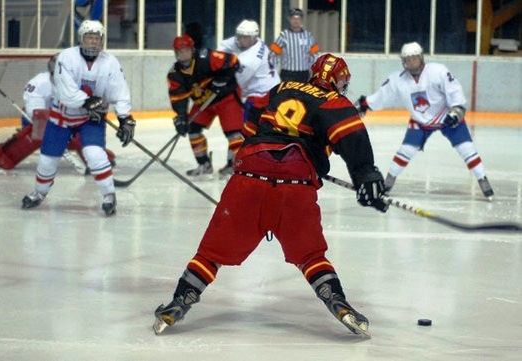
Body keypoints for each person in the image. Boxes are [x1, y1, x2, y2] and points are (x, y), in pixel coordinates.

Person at [152, 54, 388, 338]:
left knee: (210, 254)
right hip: (295, 183)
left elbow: (252, 122)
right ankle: (338, 302)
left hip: (249, 175)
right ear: (339, 82)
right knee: (311, 256)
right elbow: (353, 140)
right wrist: (366, 179)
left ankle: (179, 302)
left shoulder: (281, 88)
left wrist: (265, 154)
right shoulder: (335, 102)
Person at [21, 20, 136, 216]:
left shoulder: (110, 63)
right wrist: (87, 102)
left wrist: (125, 118)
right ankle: (39, 193)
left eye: (96, 38)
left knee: (95, 154)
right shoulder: (67, 57)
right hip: (61, 118)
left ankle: (109, 196)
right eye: (89, 37)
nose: (92, 42)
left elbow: (120, 93)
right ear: (81, 39)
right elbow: (67, 93)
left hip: (90, 119)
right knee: (47, 161)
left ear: (102, 41)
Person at [355, 41, 494, 201]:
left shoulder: (438, 71)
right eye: (408, 59)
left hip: (446, 116)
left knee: (467, 149)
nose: (412, 62)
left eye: (414, 58)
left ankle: (483, 179)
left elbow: (454, 90)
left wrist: (457, 111)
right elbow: (382, 96)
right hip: (420, 122)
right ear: (403, 61)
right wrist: (365, 104)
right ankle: (388, 182)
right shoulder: (397, 79)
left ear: (421, 57)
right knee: (405, 151)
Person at [168, 34, 244, 178]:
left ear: (192, 49)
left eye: (186, 50)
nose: (183, 54)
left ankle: (234, 166)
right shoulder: (175, 74)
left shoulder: (206, 57)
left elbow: (233, 61)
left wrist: (223, 78)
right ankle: (204, 164)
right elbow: (178, 98)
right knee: (193, 129)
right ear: (176, 53)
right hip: (204, 102)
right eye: (180, 52)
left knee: (234, 134)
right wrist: (182, 117)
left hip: (226, 98)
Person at [218, 19, 280, 128]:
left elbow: (237, 84)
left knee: (246, 128)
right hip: (271, 91)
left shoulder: (249, 60)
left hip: (262, 96)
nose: (241, 39)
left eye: (245, 37)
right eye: (240, 36)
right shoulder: (257, 41)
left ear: (253, 37)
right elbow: (225, 46)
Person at [270, 8, 320, 82]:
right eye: (293, 18)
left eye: (298, 18)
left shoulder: (308, 36)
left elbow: (315, 54)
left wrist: (312, 70)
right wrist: (273, 71)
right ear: (289, 19)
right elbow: (273, 54)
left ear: (301, 20)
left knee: (302, 93)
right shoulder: (283, 35)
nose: (296, 21)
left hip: (303, 74)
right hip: (287, 74)